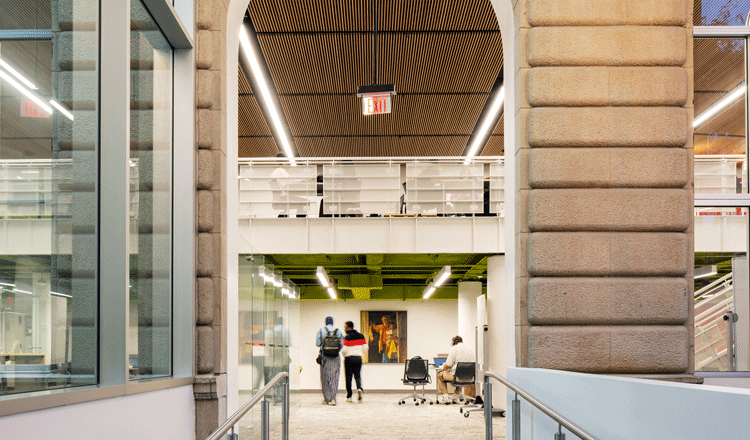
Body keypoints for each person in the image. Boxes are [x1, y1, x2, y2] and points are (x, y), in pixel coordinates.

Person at [437, 335, 476, 403]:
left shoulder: (454, 348)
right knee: (459, 372)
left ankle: (445, 397)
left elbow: (448, 365)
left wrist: (444, 366)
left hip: (457, 377)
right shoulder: (469, 349)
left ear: (454, 343)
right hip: (469, 377)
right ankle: (456, 396)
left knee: (440, 374)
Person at [316, 316, 343, 405]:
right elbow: (341, 346)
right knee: (335, 376)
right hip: (335, 357)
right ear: (333, 322)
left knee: (325, 377)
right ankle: (333, 398)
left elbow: (318, 344)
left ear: (326, 322)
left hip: (325, 356)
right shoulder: (338, 331)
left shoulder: (321, 330)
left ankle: (327, 398)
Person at [341, 320, 367, 402]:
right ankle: (359, 388)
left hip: (349, 358)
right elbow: (366, 348)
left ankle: (349, 396)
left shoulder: (347, 337)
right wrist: (359, 352)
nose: (344, 329)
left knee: (348, 377)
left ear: (349, 327)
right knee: (357, 375)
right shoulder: (361, 336)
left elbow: (344, 350)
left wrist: (344, 355)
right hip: (358, 358)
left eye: (345, 327)